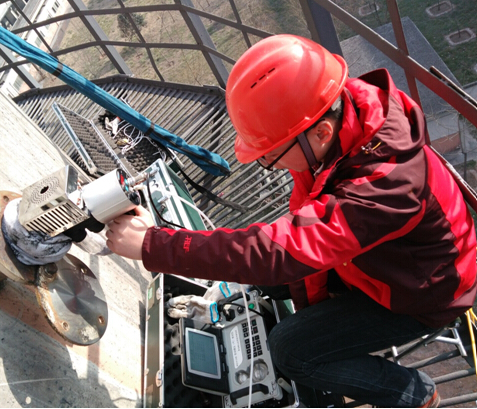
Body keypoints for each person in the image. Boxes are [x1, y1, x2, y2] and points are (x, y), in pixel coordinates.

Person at [105, 34, 477, 407]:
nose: (273, 164)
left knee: (291, 351)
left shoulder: (385, 184)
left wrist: (155, 245)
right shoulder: (334, 118)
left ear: (321, 133)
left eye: (270, 156)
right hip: (386, 259)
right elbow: (286, 245)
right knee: (264, 279)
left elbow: (278, 252)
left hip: (422, 292)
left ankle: (411, 392)